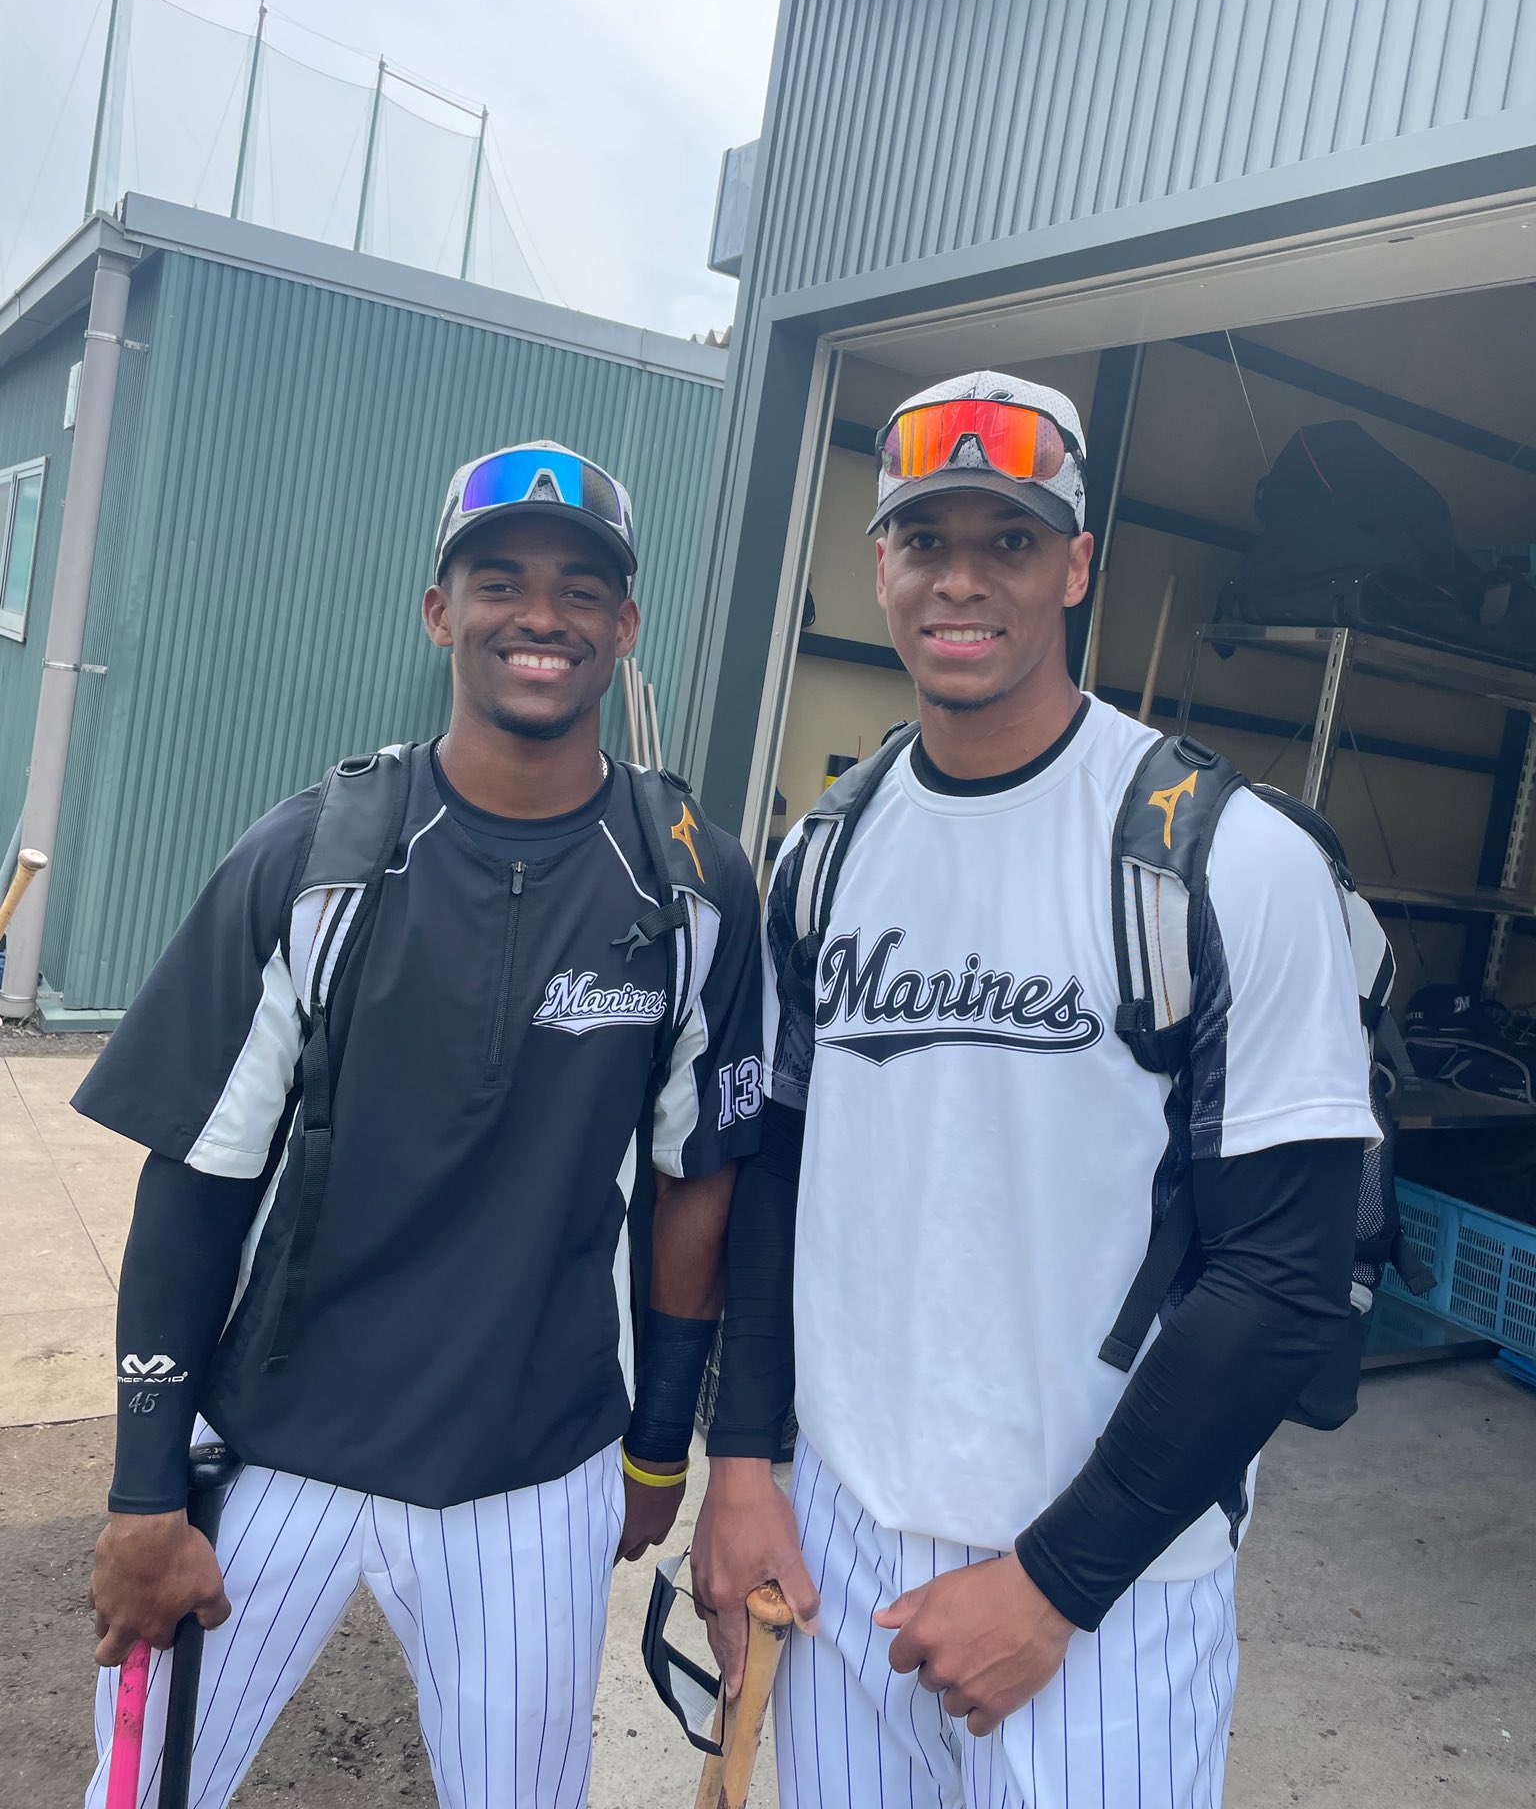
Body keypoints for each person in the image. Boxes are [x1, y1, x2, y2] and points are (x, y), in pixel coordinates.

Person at [691, 372, 1378, 1809]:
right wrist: (741, 1462)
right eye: (922, 539)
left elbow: (1286, 1277)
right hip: (843, 1545)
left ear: (1076, 568)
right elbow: (778, 1172)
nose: (961, 579)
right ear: (880, 567)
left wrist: (1056, 1584)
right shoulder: (827, 851)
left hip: (1105, 1580)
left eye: (1009, 540)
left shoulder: (1222, 858)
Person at [78, 441, 764, 1809]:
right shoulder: (312, 858)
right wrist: (144, 1487)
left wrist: (658, 1442)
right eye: (498, 580)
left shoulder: (690, 884)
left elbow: (696, 1175)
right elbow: (197, 1179)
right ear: (441, 611)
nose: (540, 615)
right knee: (139, 1794)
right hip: (271, 1451)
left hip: (532, 1473)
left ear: (625, 628)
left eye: (580, 589)